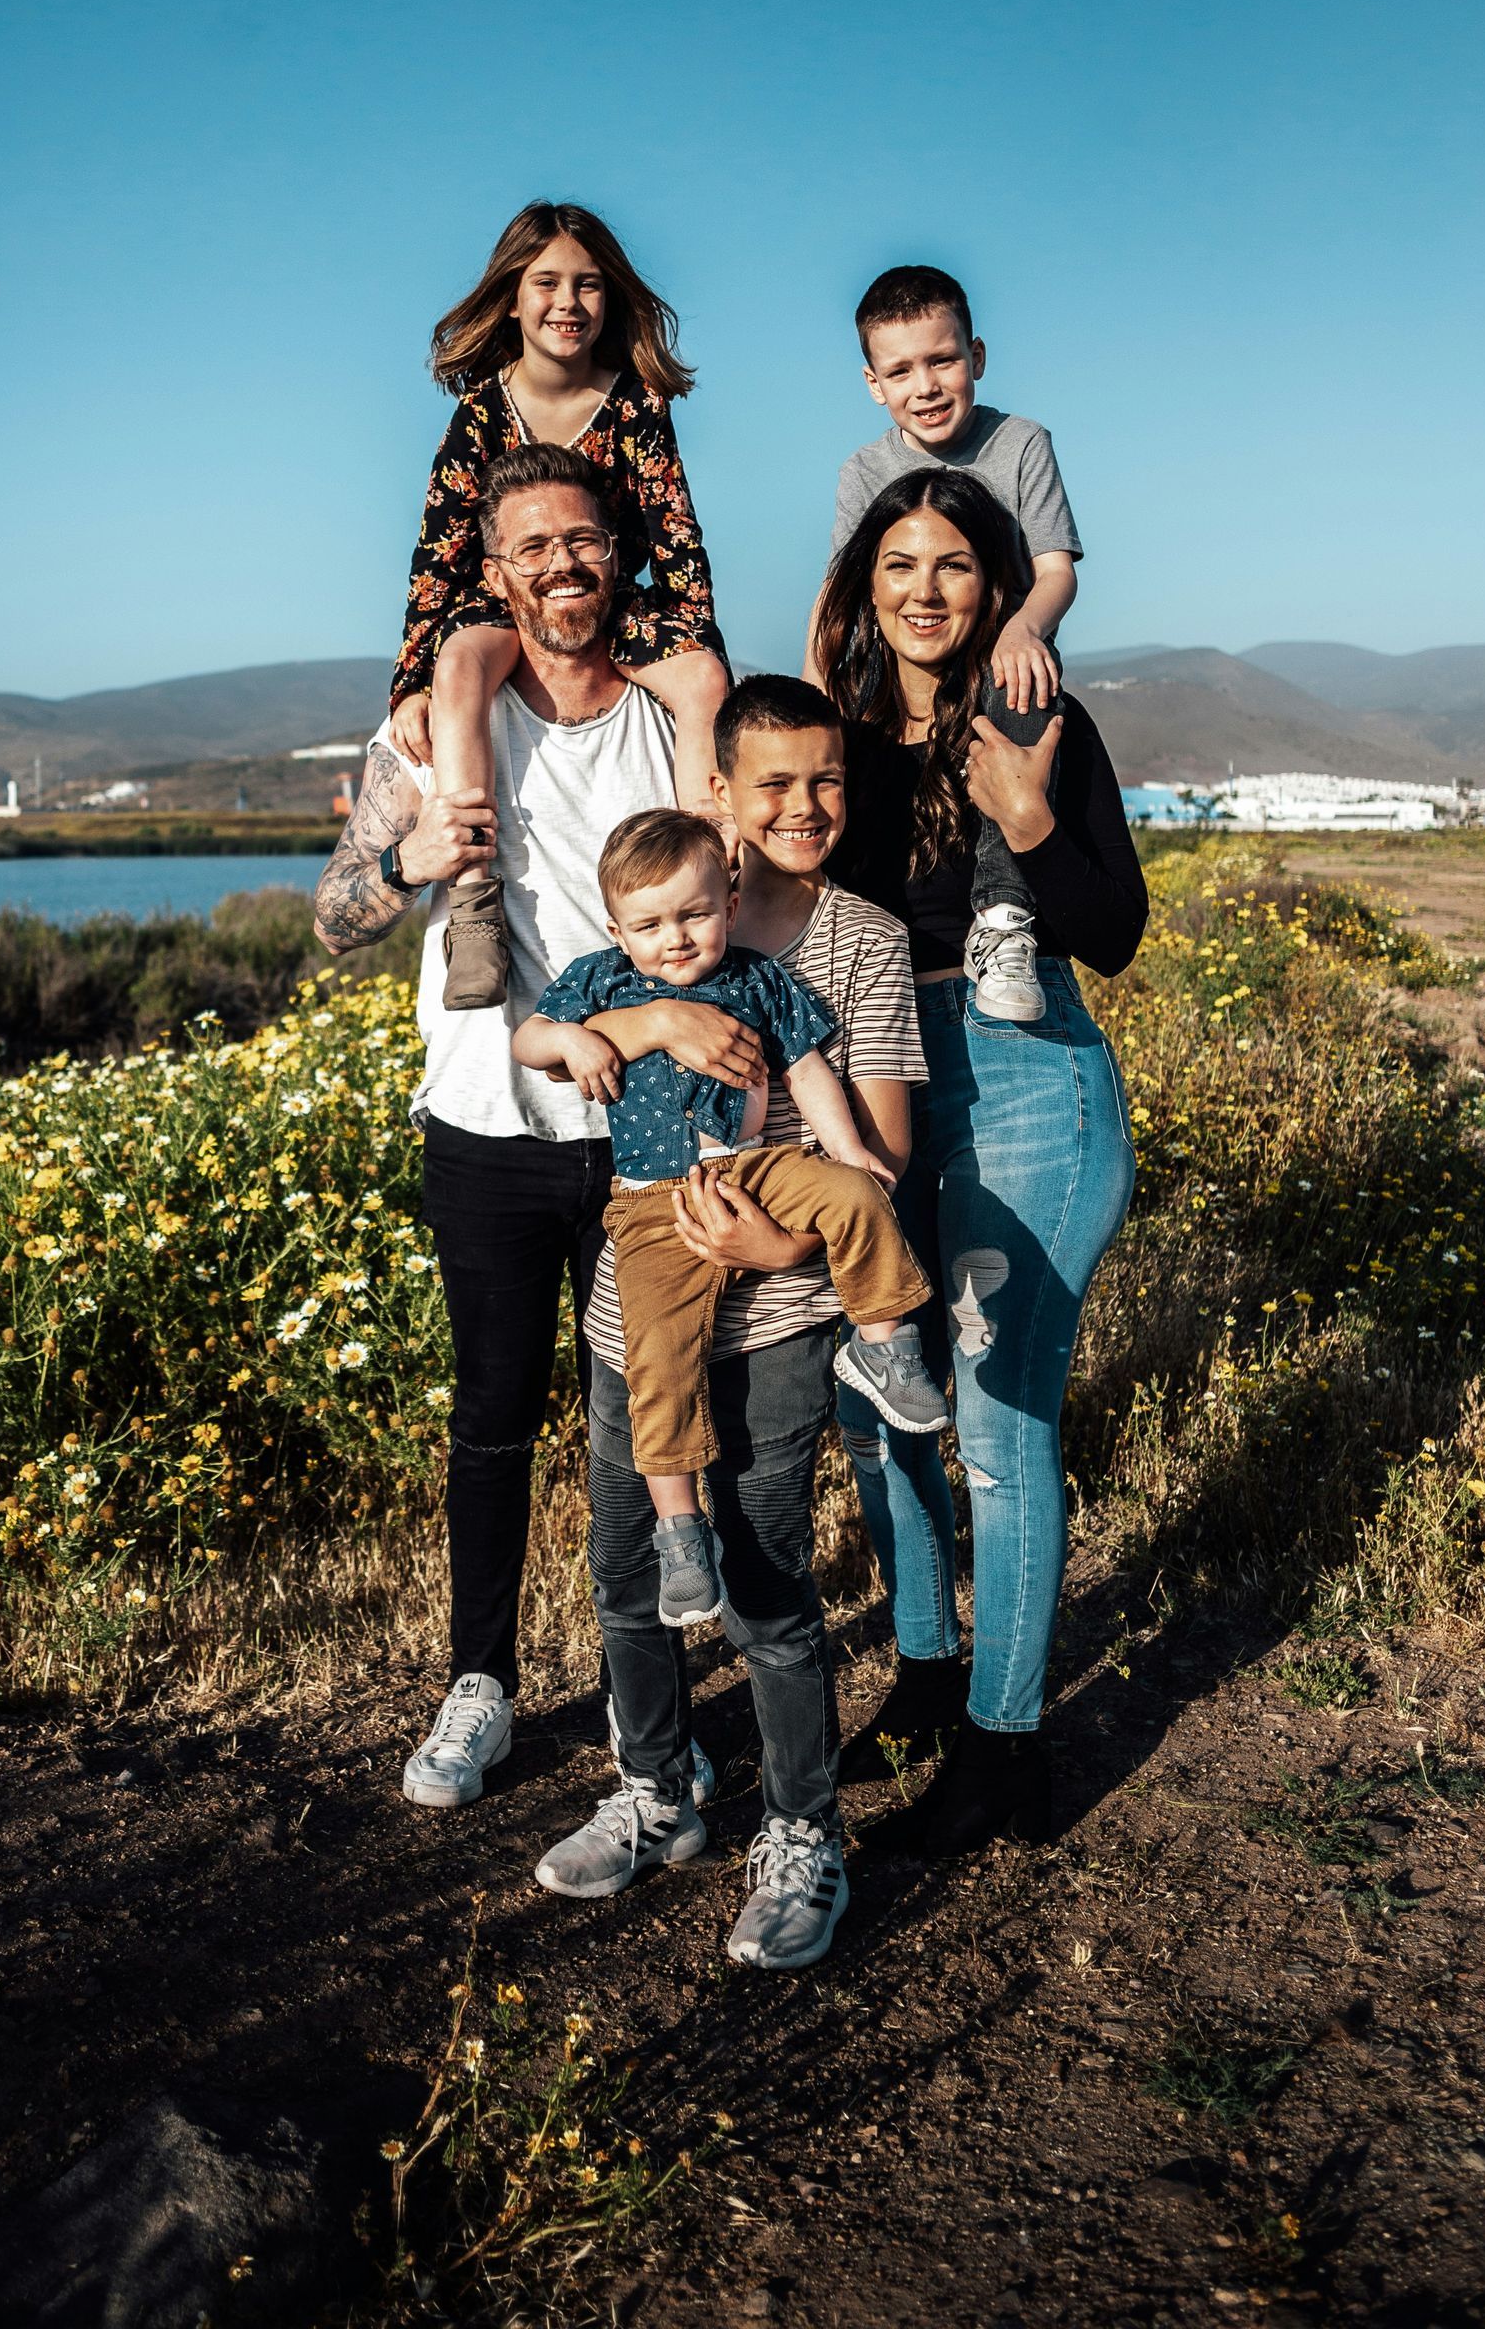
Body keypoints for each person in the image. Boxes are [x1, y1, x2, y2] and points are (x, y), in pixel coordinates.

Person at [315, 441, 713, 1815]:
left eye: (585, 541)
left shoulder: (667, 723)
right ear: (493, 573)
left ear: (621, 558)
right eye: (532, 546)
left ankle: (639, 1699)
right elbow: (332, 919)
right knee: (491, 1417)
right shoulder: (425, 733)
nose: (562, 566)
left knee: (635, 1419)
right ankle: (477, 1684)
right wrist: (402, 860)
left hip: (643, 1130)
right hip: (486, 1121)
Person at [532, 675, 930, 1970]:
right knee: (629, 1566)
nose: (805, 806)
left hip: (784, 1304)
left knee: (765, 1580)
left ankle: (802, 1829)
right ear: (720, 796)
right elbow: (546, 1043)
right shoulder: (649, 921)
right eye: (774, 783)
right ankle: (658, 1789)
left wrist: (776, 1245)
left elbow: (882, 1149)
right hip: (632, 1298)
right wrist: (644, 1017)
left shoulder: (856, 941)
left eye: (827, 782)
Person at [815, 469, 1146, 1857]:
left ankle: (1008, 1751)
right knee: (880, 1399)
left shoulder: (1041, 722)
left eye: (955, 564)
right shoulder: (834, 737)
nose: (926, 591)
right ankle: (929, 1672)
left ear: (996, 584)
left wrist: (1021, 808)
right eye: (900, 564)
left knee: (1001, 1434)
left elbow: (1112, 926)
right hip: (879, 1077)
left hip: (1025, 1081)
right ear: (863, 585)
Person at [512, 807, 939, 1632]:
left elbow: (808, 1068)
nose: (675, 938)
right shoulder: (600, 981)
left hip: (759, 1169)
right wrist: (576, 1043)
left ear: (730, 907)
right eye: (650, 923)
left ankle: (887, 1349)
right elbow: (529, 1040)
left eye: (695, 914)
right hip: (650, 1202)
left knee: (859, 1198)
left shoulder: (757, 979)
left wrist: (852, 1152)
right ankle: (680, 1528)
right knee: (658, 1358)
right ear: (616, 929)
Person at [389, 202, 729, 1013]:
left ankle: (714, 871)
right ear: (512, 296)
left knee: (704, 680)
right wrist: (409, 681)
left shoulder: (638, 404)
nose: (567, 302)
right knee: (462, 660)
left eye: (587, 285)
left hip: (617, 600)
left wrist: (696, 647)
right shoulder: (478, 412)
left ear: (610, 298)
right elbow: (437, 555)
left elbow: (676, 536)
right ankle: (475, 905)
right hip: (503, 603)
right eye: (546, 283)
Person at [811, 264, 1082, 1026]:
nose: (925, 385)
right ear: (873, 383)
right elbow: (838, 595)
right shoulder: (865, 470)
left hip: (1000, 666)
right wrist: (811, 695)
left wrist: (1025, 625)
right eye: (901, 370)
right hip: (898, 673)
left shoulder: (1021, 442)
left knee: (1023, 679)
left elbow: (1055, 570)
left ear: (978, 357)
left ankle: (1002, 921)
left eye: (943, 360)